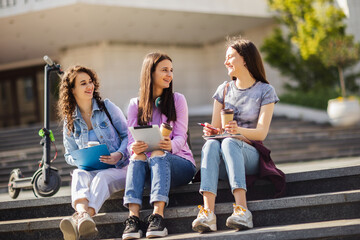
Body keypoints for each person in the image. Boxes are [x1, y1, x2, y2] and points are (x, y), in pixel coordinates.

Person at [192, 37, 280, 233]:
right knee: (210, 145)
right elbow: (216, 132)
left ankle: (242, 210)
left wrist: (237, 131)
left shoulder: (265, 91)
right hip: (225, 154)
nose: (226, 62)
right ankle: (207, 213)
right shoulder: (223, 90)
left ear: (246, 59)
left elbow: (261, 133)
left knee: (230, 142)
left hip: (251, 155)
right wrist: (212, 132)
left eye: (230, 57)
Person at [122, 52, 196, 239]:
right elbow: (130, 141)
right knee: (137, 156)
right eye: (164, 70)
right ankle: (133, 219)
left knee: (157, 152)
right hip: (148, 167)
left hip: (180, 164)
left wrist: (169, 145)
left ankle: (158, 216)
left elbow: (181, 137)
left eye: (171, 70)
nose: (169, 75)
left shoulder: (178, 100)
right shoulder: (134, 104)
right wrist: (134, 148)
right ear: (150, 72)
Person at [57, 65, 129, 240]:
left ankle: (80, 218)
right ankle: (84, 216)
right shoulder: (70, 121)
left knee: (102, 178)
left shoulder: (107, 108)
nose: (89, 86)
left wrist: (119, 154)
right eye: (83, 83)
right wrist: (83, 157)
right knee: (79, 173)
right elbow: (68, 155)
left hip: (121, 167)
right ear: (72, 90)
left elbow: (129, 136)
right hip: (92, 168)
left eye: (90, 82)